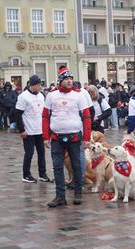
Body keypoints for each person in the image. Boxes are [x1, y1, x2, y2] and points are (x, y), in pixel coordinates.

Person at [42, 67, 91, 207]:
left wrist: (87, 138)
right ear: (60, 81)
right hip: (57, 137)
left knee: (76, 166)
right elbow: (45, 116)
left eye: (71, 79)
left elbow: (86, 116)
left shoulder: (79, 95)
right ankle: (60, 196)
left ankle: (77, 193)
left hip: (75, 137)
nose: (69, 81)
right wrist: (45, 136)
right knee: (57, 167)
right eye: (66, 79)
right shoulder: (51, 95)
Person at [15, 75, 50, 183]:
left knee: (41, 153)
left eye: (41, 85)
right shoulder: (23, 96)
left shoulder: (41, 95)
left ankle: (42, 174)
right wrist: (22, 130)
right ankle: (26, 175)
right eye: (38, 85)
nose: (40, 87)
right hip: (28, 131)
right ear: (32, 85)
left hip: (39, 130)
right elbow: (18, 114)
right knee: (29, 153)